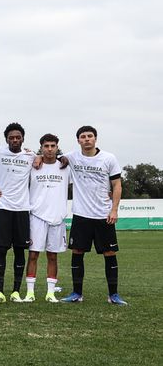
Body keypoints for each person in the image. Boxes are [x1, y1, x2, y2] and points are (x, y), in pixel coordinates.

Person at [61, 125, 125, 305]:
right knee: (77, 251)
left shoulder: (109, 158)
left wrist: (114, 209)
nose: (87, 139)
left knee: (110, 253)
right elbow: (51, 158)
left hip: (103, 215)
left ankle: (113, 295)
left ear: (95, 138)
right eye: (83, 136)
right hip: (81, 215)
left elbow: (117, 185)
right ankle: (76, 293)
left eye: (90, 136)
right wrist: (36, 157)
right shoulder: (72, 157)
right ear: (78, 140)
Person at [0, 123, 35, 304]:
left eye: (18, 137)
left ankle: (16, 291)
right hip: (2, 208)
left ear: (23, 138)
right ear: (6, 139)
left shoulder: (31, 156)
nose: (15, 140)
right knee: (1, 250)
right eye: (11, 137)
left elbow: (49, 159)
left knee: (20, 251)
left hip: (22, 210)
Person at [25, 133, 69, 303]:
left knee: (53, 256)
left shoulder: (65, 166)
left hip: (58, 217)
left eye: (53, 146)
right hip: (36, 216)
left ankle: (50, 293)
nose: (49, 149)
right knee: (33, 254)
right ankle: (30, 293)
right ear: (41, 148)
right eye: (46, 146)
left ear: (57, 147)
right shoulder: (33, 165)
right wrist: (35, 156)